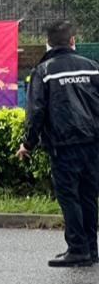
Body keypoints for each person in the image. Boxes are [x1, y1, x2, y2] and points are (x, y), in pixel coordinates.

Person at [18, 20, 99, 267]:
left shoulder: (44, 72)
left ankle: (77, 249)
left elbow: (36, 112)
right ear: (73, 40)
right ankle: (91, 248)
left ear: (48, 43)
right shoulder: (93, 68)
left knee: (69, 196)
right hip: (93, 144)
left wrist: (27, 144)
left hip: (63, 146)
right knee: (88, 195)